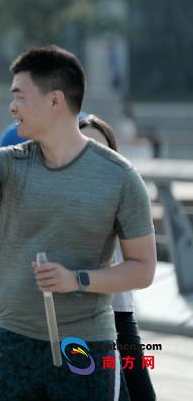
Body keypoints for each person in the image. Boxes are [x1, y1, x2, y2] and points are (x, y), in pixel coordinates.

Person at [0, 45, 156, 399]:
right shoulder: (11, 163)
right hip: (10, 342)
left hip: (85, 345)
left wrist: (77, 280)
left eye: (20, 97)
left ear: (55, 101)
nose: (12, 107)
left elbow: (143, 269)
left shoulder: (121, 177)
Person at [79, 114, 157, 401]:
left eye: (102, 149)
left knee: (140, 394)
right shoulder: (60, 196)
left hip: (120, 317)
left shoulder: (126, 191)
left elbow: (142, 264)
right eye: (85, 146)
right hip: (76, 320)